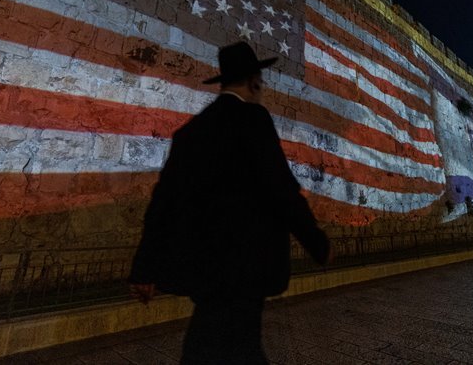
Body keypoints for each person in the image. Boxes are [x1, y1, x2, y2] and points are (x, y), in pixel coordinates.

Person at [128, 41, 331, 364]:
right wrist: (315, 240)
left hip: (203, 269)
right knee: (233, 348)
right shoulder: (253, 119)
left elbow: (163, 203)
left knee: (212, 344)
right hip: (246, 267)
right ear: (254, 81)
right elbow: (280, 187)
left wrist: (144, 268)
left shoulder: (190, 133)